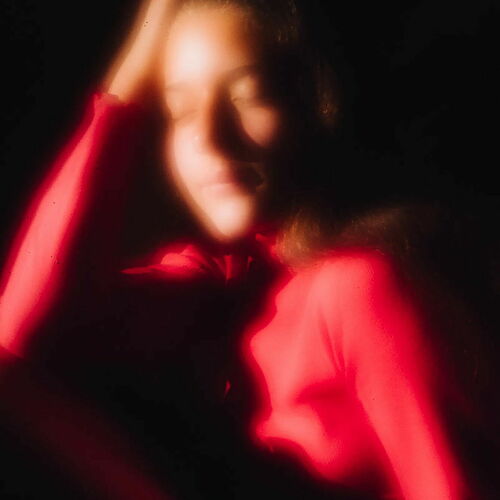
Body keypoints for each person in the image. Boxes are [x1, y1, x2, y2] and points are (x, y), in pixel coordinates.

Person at [0, 0, 492, 498]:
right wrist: (144, 47)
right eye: (179, 110)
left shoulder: (360, 289)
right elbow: (23, 337)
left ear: (321, 102)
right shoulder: (222, 281)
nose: (209, 139)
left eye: (250, 95)